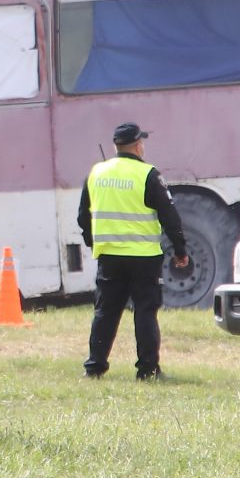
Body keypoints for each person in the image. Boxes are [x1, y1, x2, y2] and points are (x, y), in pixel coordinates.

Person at [77, 123, 189, 380]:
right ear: (138, 145)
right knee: (145, 311)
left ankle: (94, 368)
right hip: (144, 258)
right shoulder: (148, 174)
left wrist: (94, 243)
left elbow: (83, 216)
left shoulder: (97, 172)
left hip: (109, 257)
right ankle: (147, 370)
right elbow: (170, 217)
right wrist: (180, 250)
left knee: (105, 311)